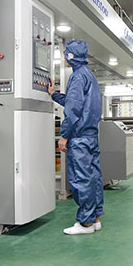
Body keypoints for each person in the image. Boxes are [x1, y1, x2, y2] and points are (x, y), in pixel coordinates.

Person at [48, 40, 103, 235]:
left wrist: (64, 135)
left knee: (81, 179)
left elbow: (73, 109)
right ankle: (95, 218)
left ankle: (86, 223)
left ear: (70, 56)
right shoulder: (88, 75)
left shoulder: (77, 76)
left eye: (66, 53)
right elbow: (75, 101)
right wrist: (54, 95)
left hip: (79, 137)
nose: (64, 56)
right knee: (94, 177)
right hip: (91, 135)